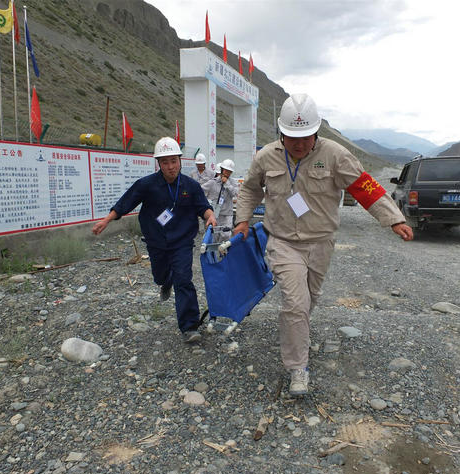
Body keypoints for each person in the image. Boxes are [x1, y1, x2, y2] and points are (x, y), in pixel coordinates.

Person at [234, 94, 413, 396]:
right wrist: (242, 220)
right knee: (295, 303)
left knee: (309, 300)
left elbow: (364, 187)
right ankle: (297, 367)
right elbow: (250, 189)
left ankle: (298, 334)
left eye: (305, 137)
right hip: (283, 242)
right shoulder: (266, 157)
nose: (299, 144)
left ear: (316, 131)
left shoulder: (335, 155)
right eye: (292, 138)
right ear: (281, 132)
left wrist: (394, 218)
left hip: (321, 243)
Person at [93, 137, 217, 343]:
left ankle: (189, 326)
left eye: (174, 161)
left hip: (182, 242)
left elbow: (203, 207)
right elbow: (126, 202)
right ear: (158, 163)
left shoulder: (191, 186)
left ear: (180, 161)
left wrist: (210, 216)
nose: (170, 167)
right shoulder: (146, 185)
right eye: (165, 162)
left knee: (183, 280)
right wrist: (106, 220)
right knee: (160, 276)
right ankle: (165, 282)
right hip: (156, 241)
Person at [201, 159, 239, 241]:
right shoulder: (213, 182)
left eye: (229, 172)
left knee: (226, 235)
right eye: (226, 171)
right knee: (214, 236)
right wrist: (206, 202)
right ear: (222, 170)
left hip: (227, 214)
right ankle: (213, 249)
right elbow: (200, 190)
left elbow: (235, 194)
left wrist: (227, 184)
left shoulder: (233, 182)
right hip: (215, 214)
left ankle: (223, 248)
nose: (227, 173)